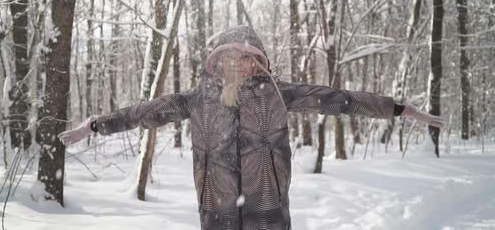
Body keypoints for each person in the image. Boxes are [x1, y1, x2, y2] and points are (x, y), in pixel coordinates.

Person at [58, 26, 447, 230]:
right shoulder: (197, 99)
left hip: (268, 214)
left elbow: (339, 99)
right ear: (219, 61)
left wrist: (398, 109)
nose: (239, 65)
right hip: (216, 214)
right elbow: (141, 113)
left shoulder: (279, 93)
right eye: (231, 58)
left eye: (247, 59)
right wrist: (95, 126)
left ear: (258, 61)